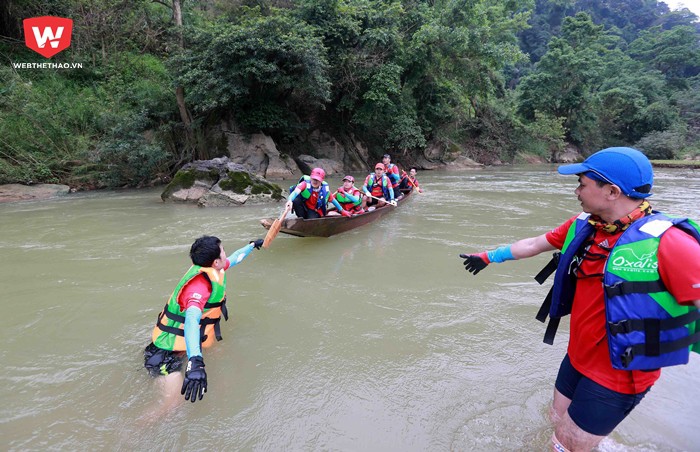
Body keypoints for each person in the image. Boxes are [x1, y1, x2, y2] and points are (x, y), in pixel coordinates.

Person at [458, 147, 700, 451]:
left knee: (563, 446)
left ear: (611, 191)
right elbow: (534, 244)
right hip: (577, 358)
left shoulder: (672, 243)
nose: (576, 191)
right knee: (555, 420)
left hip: (620, 375)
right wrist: (488, 257)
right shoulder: (583, 226)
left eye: (583, 184)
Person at [144, 236, 265, 407]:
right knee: (171, 407)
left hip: (179, 347)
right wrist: (195, 362)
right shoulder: (198, 288)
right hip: (165, 353)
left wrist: (251, 246)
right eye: (223, 251)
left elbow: (235, 258)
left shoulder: (212, 268)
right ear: (215, 262)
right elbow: (191, 321)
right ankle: (137, 430)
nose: (225, 253)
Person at [286, 167, 351, 219]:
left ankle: (307, 221)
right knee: (295, 200)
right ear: (311, 177)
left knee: (311, 219)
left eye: (317, 180)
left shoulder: (325, 190)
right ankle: (301, 219)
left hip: (314, 210)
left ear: (322, 181)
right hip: (304, 206)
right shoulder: (304, 184)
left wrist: (342, 211)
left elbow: (333, 201)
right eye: (314, 179)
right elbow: (295, 193)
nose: (315, 181)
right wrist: (289, 201)